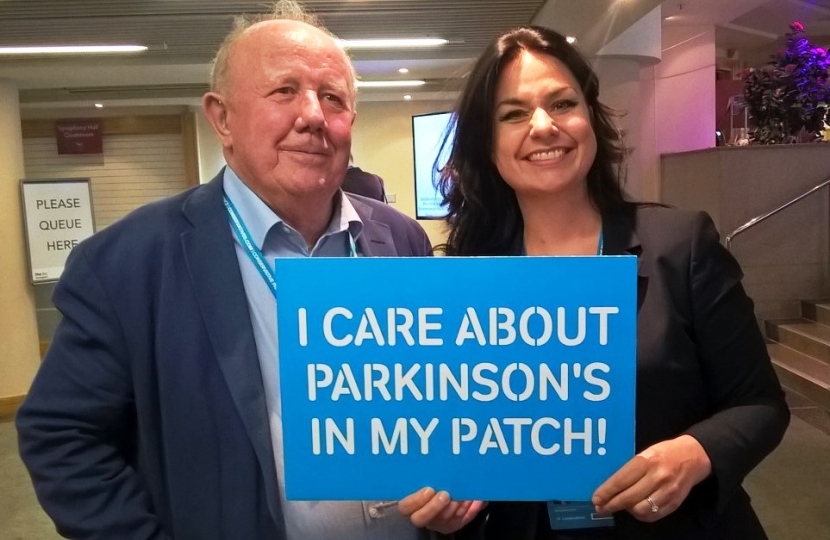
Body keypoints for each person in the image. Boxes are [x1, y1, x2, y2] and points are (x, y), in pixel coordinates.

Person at [15, 2, 433, 540]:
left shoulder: (402, 241)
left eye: (333, 97)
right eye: (284, 91)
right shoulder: (126, 264)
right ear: (222, 118)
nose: (312, 115)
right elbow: (62, 438)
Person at [397, 26, 790, 539]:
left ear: (590, 118)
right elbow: (462, 444)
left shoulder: (679, 244)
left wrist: (696, 454)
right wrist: (452, 507)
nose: (543, 126)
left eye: (562, 103)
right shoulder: (466, 278)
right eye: (513, 113)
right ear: (487, 143)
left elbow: (761, 405)